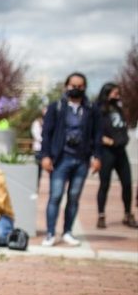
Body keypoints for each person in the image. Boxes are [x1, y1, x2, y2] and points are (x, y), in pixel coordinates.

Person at [40, 72, 102, 247]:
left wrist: (97, 156)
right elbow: (47, 133)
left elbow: (97, 135)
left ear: (84, 87)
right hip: (60, 159)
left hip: (81, 159)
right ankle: (50, 233)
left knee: (74, 197)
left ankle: (67, 231)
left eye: (80, 86)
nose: (76, 89)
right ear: (66, 86)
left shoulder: (91, 109)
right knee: (56, 195)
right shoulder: (57, 107)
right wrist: (45, 156)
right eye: (73, 85)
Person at [95, 82, 137, 229]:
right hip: (107, 152)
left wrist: (124, 139)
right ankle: (101, 215)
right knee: (104, 184)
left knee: (127, 184)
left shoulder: (119, 109)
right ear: (107, 93)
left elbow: (123, 127)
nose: (117, 95)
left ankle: (128, 214)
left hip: (121, 151)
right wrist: (104, 140)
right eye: (114, 93)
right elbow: (93, 131)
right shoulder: (99, 110)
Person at [30, 109, 45, 195]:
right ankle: (36, 187)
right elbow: (36, 135)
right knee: (38, 170)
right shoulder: (36, 123)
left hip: (46, 149)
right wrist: (45, 141)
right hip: (38, 149)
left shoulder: (48, 121)